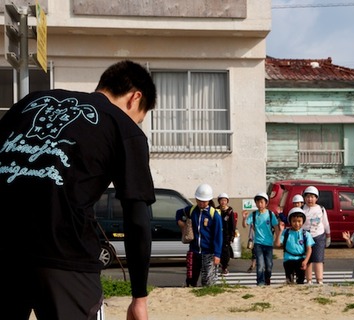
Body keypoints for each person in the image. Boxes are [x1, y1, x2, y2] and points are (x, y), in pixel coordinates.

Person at [0, 60, 157, 320]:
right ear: (134, 98)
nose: (136, 123)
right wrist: (139, 297)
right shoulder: (123, 127)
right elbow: (137, 218)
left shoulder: (29, 103)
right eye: (139, 117)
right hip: (66, 255)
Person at [176, 183, 223, 287]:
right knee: (190, 280)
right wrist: (180, 222)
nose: (201, 203)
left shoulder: (214, 215)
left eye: (204, 201)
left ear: (209, 200)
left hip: (208, 252)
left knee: (207, 282)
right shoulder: (192, 210)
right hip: (194, 251)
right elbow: (178, 213)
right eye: (199, 200)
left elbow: (218, 236)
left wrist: (217, 254)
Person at [242, 192, 279, 286]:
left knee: (269, 265)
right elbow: (245, 225)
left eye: (261, 202)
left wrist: (278, 239)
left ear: (266, 203)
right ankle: (260, 283)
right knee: (260, 265)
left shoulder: (270, 214)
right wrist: (244, 218)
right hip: (258, 243)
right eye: (257, 202)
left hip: (269, 244)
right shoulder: (254, 215)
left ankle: (267, 278)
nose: (259, 204)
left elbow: (276, 227)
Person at [274, 207, 314, 284]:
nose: (297, 223)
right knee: (289, 280)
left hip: (301, 260)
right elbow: (277, 244)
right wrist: (280, 231)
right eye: (294, 221)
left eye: (299, 221)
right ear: (290, 221)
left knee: (300, 280)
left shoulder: (306, 234)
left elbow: (309, 249)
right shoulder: (286, 232)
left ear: (303, 221)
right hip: (288, 259)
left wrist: (305, 261)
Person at [302, 186, 331, 285]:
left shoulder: (321, 209)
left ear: (316, 198)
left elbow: (325, 223)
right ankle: (309, 280)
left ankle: (319, 280)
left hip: (318, 236)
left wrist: (328, 235)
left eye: (312, 197)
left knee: (318, 259)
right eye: (308, 197)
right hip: (305, 236)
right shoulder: (302, 209)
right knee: (308, 259)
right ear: (304, 198)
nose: (310, 199)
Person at [216, 192, 236, 275]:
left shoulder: (230, 211)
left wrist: (232, 235)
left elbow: (232, 224)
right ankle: (218, 266)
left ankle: (225, 267)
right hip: (217, 233)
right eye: (221, 200)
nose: (223, 202)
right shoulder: (216, 210)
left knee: (226, 251)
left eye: (225, 200)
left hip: (226, 234)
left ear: (227, 201)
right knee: (217, 250)